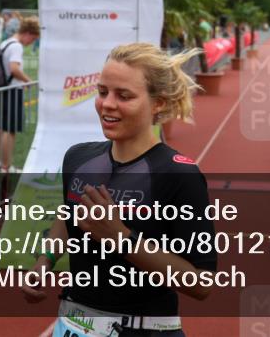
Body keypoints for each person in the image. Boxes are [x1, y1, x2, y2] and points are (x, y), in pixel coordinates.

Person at [21, 43, 216, 336]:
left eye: (124, 96)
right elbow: (69, 213)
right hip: (72, 323)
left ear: (158, 103)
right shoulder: (78, 158)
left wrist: (120, 238)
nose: (107, 104)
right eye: (102, 92)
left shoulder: (178, 174)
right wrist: (44, 260)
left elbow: (201, 284)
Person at [0, 16, 39, 173]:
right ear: (29, 33)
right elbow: (14, 69)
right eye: (34, 39)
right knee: (9, 130)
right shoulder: (16, 46)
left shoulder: (6, 42)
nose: (31, 42)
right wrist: (28, 81)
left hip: (2, 88)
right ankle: (6, 166)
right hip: (11, 90)